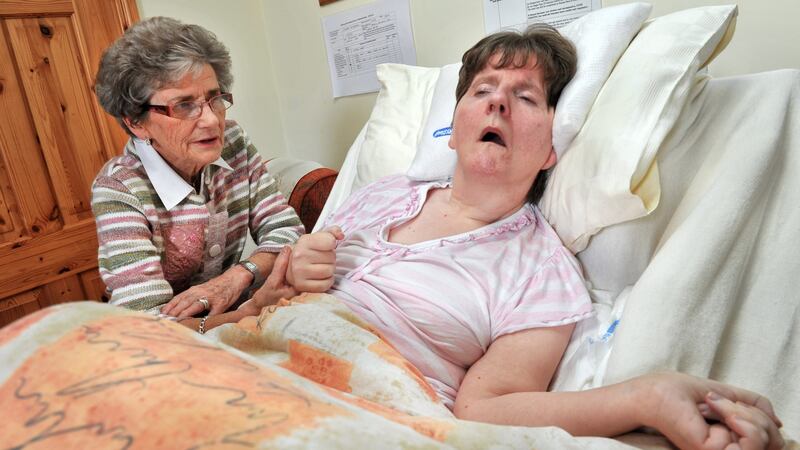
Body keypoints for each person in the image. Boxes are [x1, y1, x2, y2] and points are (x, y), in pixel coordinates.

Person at [186, 24, 785, 449]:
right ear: (454, 130)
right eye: (482, 90)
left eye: (525, 97)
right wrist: (285, 278)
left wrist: (647, 400)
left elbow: (485, 410)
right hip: (237, 359)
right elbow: (265, 311)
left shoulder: (539, 271)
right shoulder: (382, 194)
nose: (498, 99)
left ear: (552, 148)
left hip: (341, 401)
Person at [91, 17, 313, 320]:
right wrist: (253, 311)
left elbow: (286, 230)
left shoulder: (234, 143)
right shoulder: (119, 189)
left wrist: (237, 277)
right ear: (135, 122)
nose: (211, 120)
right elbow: (150, 322)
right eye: (183, 105)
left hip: (232, 314)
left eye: (214, 99)